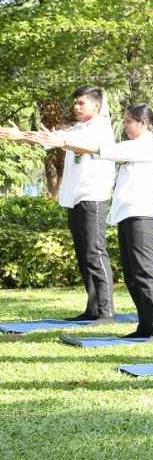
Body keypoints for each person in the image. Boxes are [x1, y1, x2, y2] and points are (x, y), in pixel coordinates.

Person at [29, 104, 153, 338]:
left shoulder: (146, 145)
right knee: (132, 275)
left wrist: (64, 142)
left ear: (143, 123)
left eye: (128, 121)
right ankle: (146, 326)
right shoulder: (134, 145)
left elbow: (102, 149)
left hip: (141, 215)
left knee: (144, 273)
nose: (124, 126)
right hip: (127, 214)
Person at [1, 86, 117, 323]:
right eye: (75, 103)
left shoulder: (101, 129)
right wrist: (21, 136)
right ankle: (93, 309)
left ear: (96, 106)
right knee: (84, 255)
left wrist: (61, 140)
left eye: (81, 103)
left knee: (95, 253)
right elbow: (50, 138)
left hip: (93, 196)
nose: (76, 107)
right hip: (75, 198)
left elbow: (68, 141)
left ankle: (106, 312)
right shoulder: (77, 129)